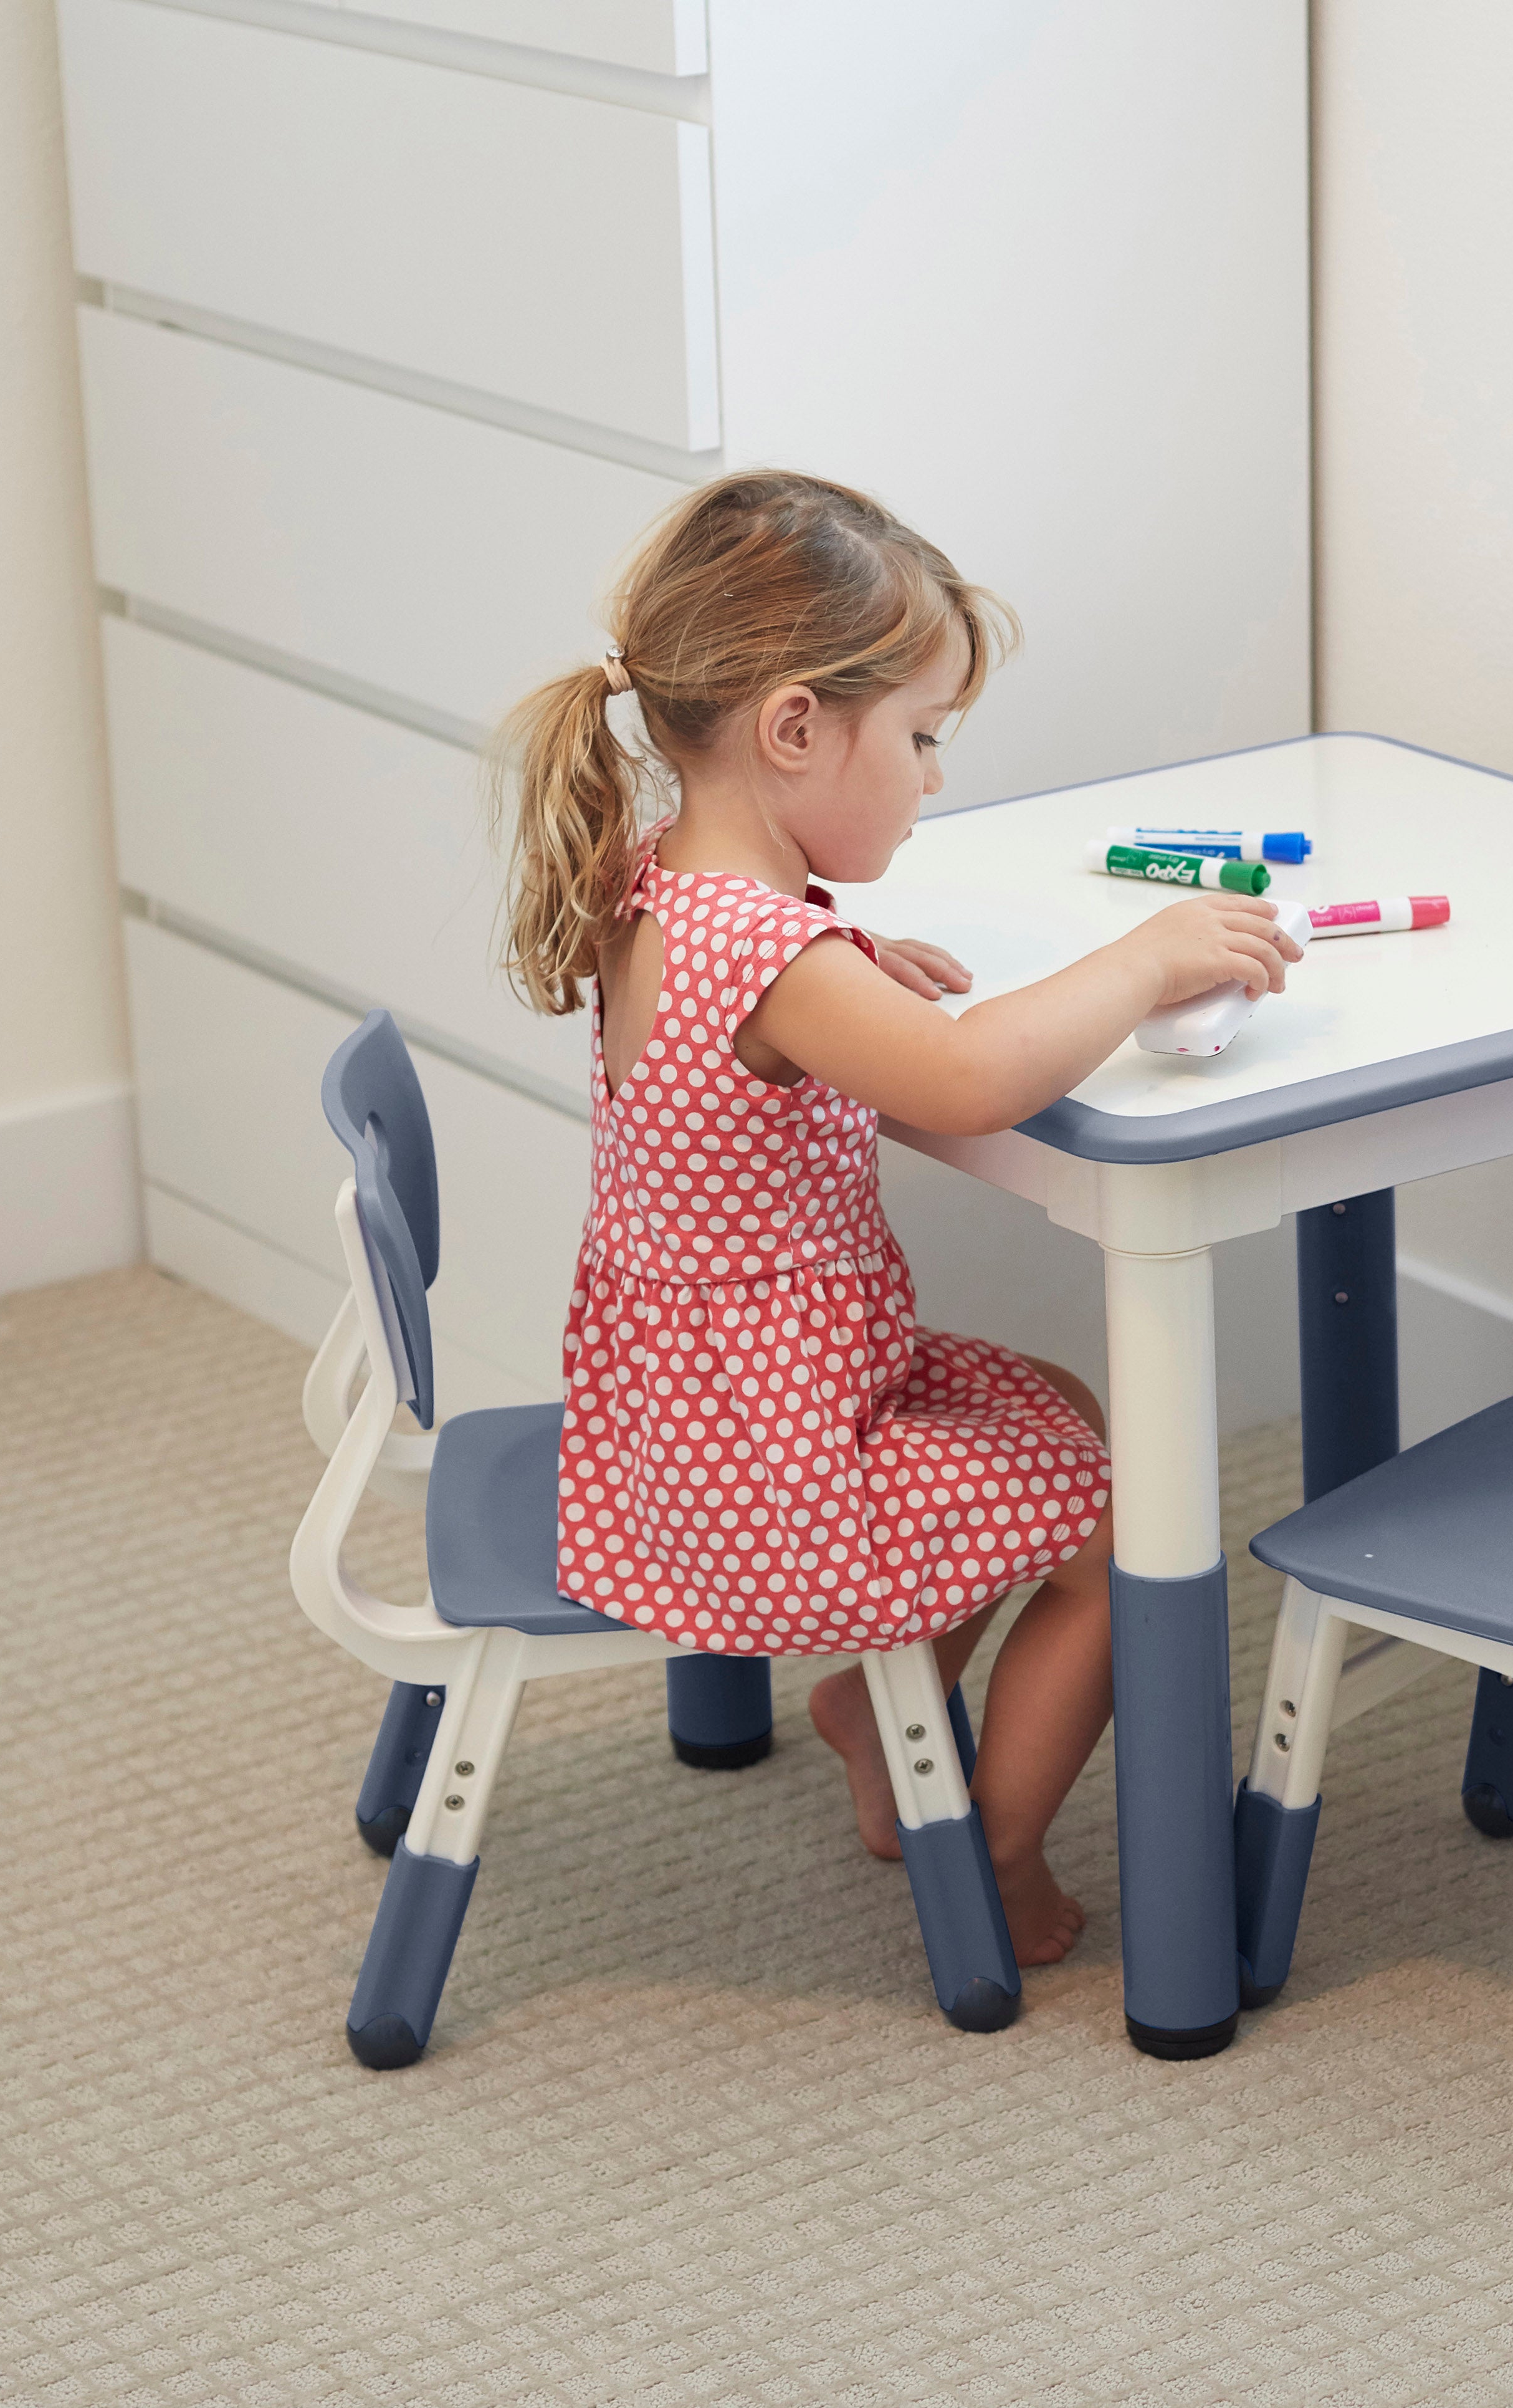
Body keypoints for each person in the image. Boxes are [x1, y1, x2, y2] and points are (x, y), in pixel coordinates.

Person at [496, 471, 1297, 1966]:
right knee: (1130, 1531)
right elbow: (972, 1078)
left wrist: (846, 961)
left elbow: (786, 997)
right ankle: (986, 1847)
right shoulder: (767, 949)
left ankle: (878, 1702)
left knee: (1049, 1404)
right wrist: (1145, 957)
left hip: (696, 1416)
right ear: (795, 728)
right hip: (767, 1468)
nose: (932, 777)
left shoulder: (664, 876)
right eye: (922, 738)